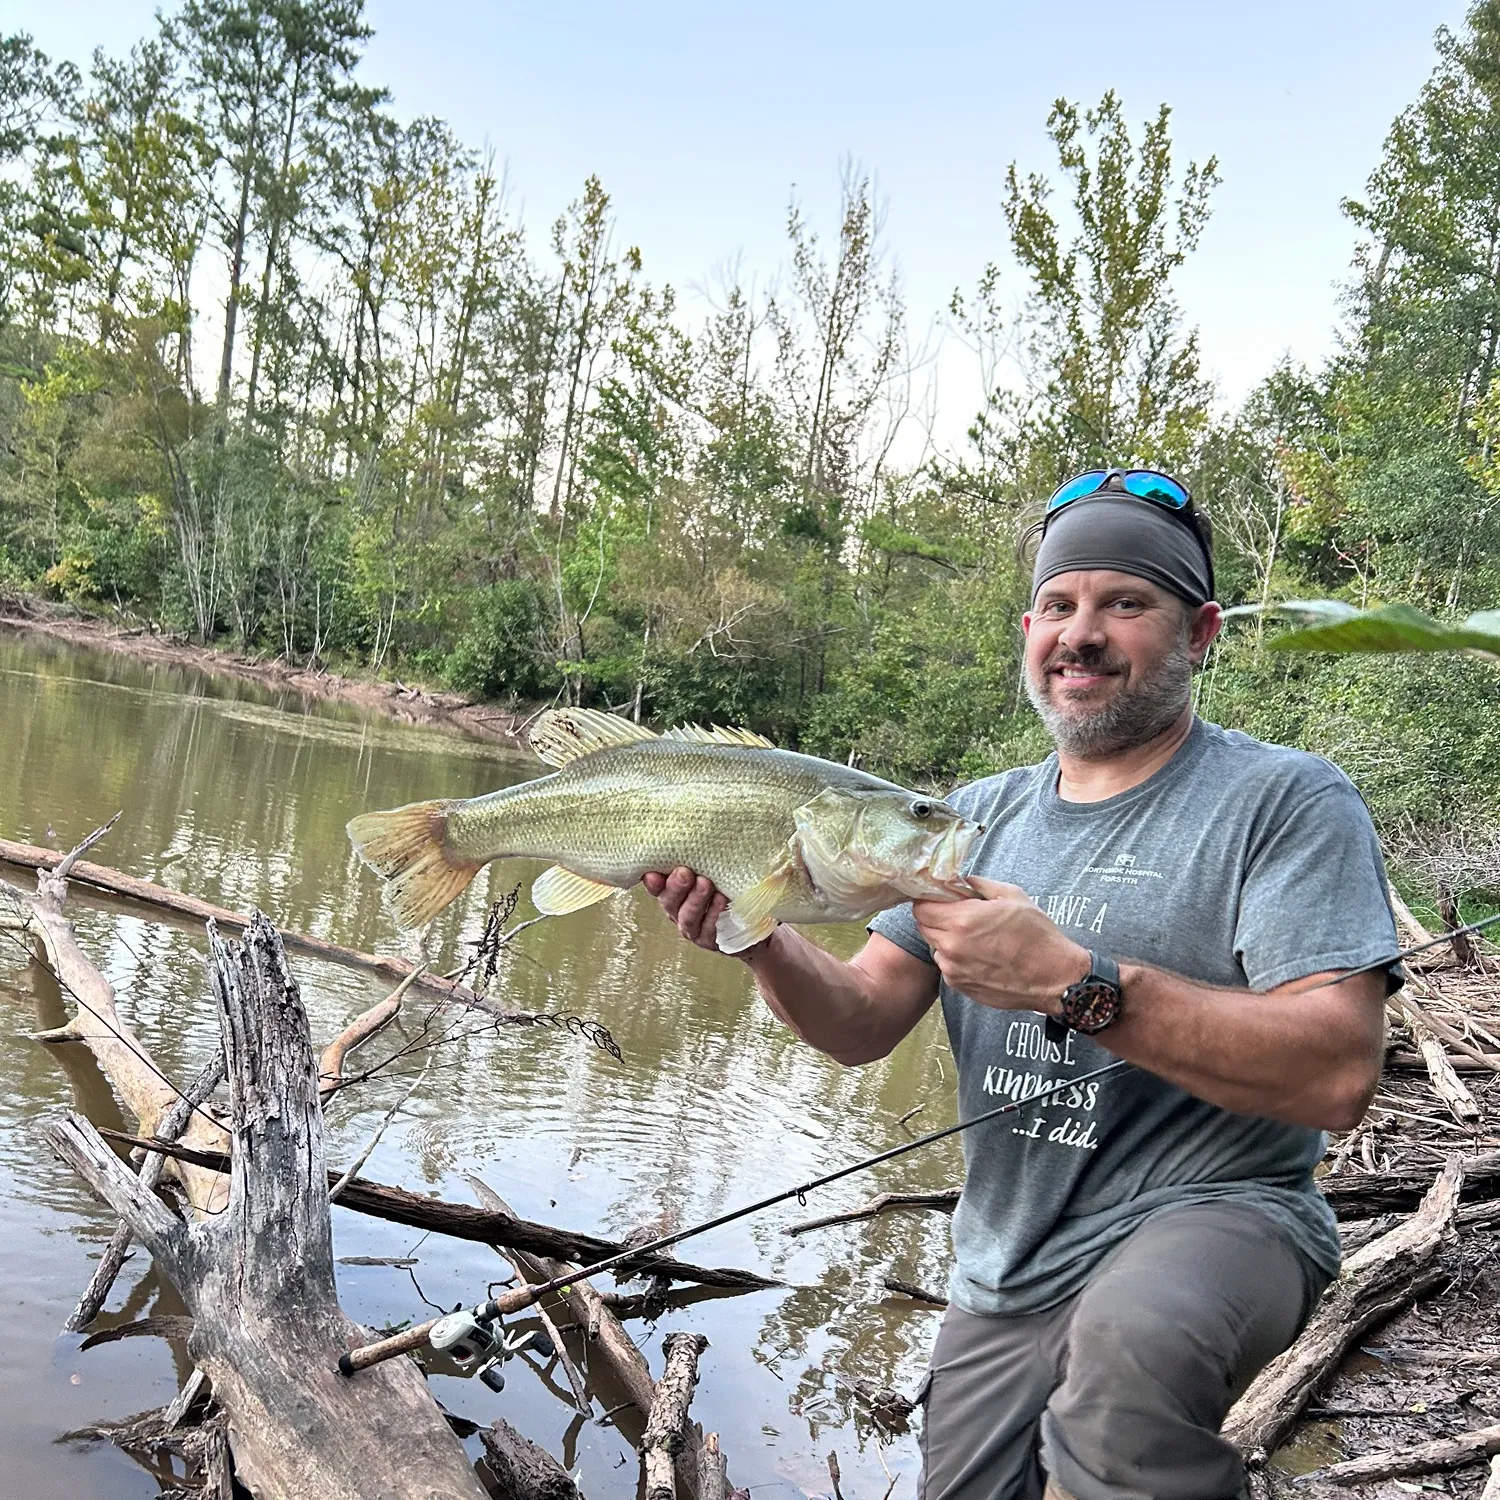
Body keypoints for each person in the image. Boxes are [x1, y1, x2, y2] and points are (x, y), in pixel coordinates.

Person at [643, 467, 1399, 1500]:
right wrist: (755, 940)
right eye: (1058, 605)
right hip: (1007, 1261)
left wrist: (1078, 984)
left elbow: (1337, 1073)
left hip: (1223, 1215)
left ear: (1201, 633)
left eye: (1126, 604)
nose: (1079, 633)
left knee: (1124, 1386)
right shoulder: (966, 817)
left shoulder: (1283, 800)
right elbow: (863, 1020)